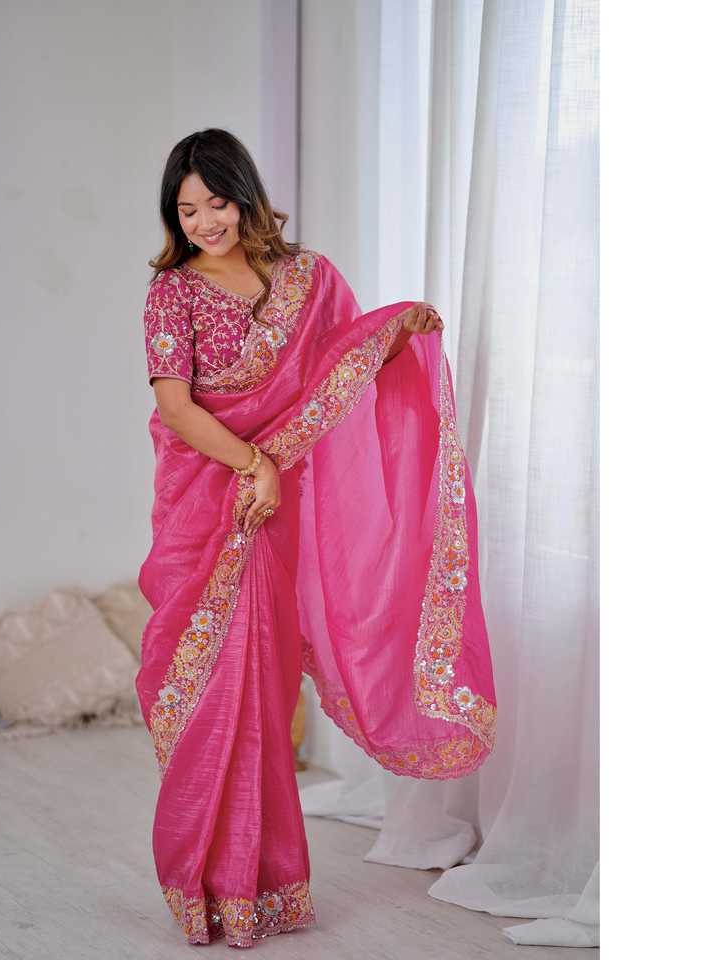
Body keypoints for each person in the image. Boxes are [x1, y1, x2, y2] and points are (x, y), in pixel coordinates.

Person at [136, 128, 496, 949]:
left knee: (263, 696)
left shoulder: (308, 278)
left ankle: (262, 887)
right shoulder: (172, 293)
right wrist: (254, 463)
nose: (204, 223)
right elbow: (176, 407)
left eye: (216, 203)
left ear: (245, 196)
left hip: (279, 514)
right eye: (186, 211)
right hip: (210, 507)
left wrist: (392, 334)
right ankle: (204, 886)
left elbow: (335, 371)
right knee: (209, 694)